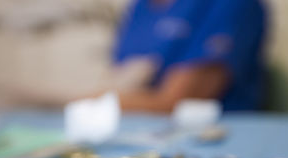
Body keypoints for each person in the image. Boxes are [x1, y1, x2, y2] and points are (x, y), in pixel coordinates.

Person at [112, 0, 267, 112]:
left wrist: (96, 101)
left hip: (211, 134)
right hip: (137, 130)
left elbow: (176, 101)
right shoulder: (141, 6)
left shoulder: (230, 4)